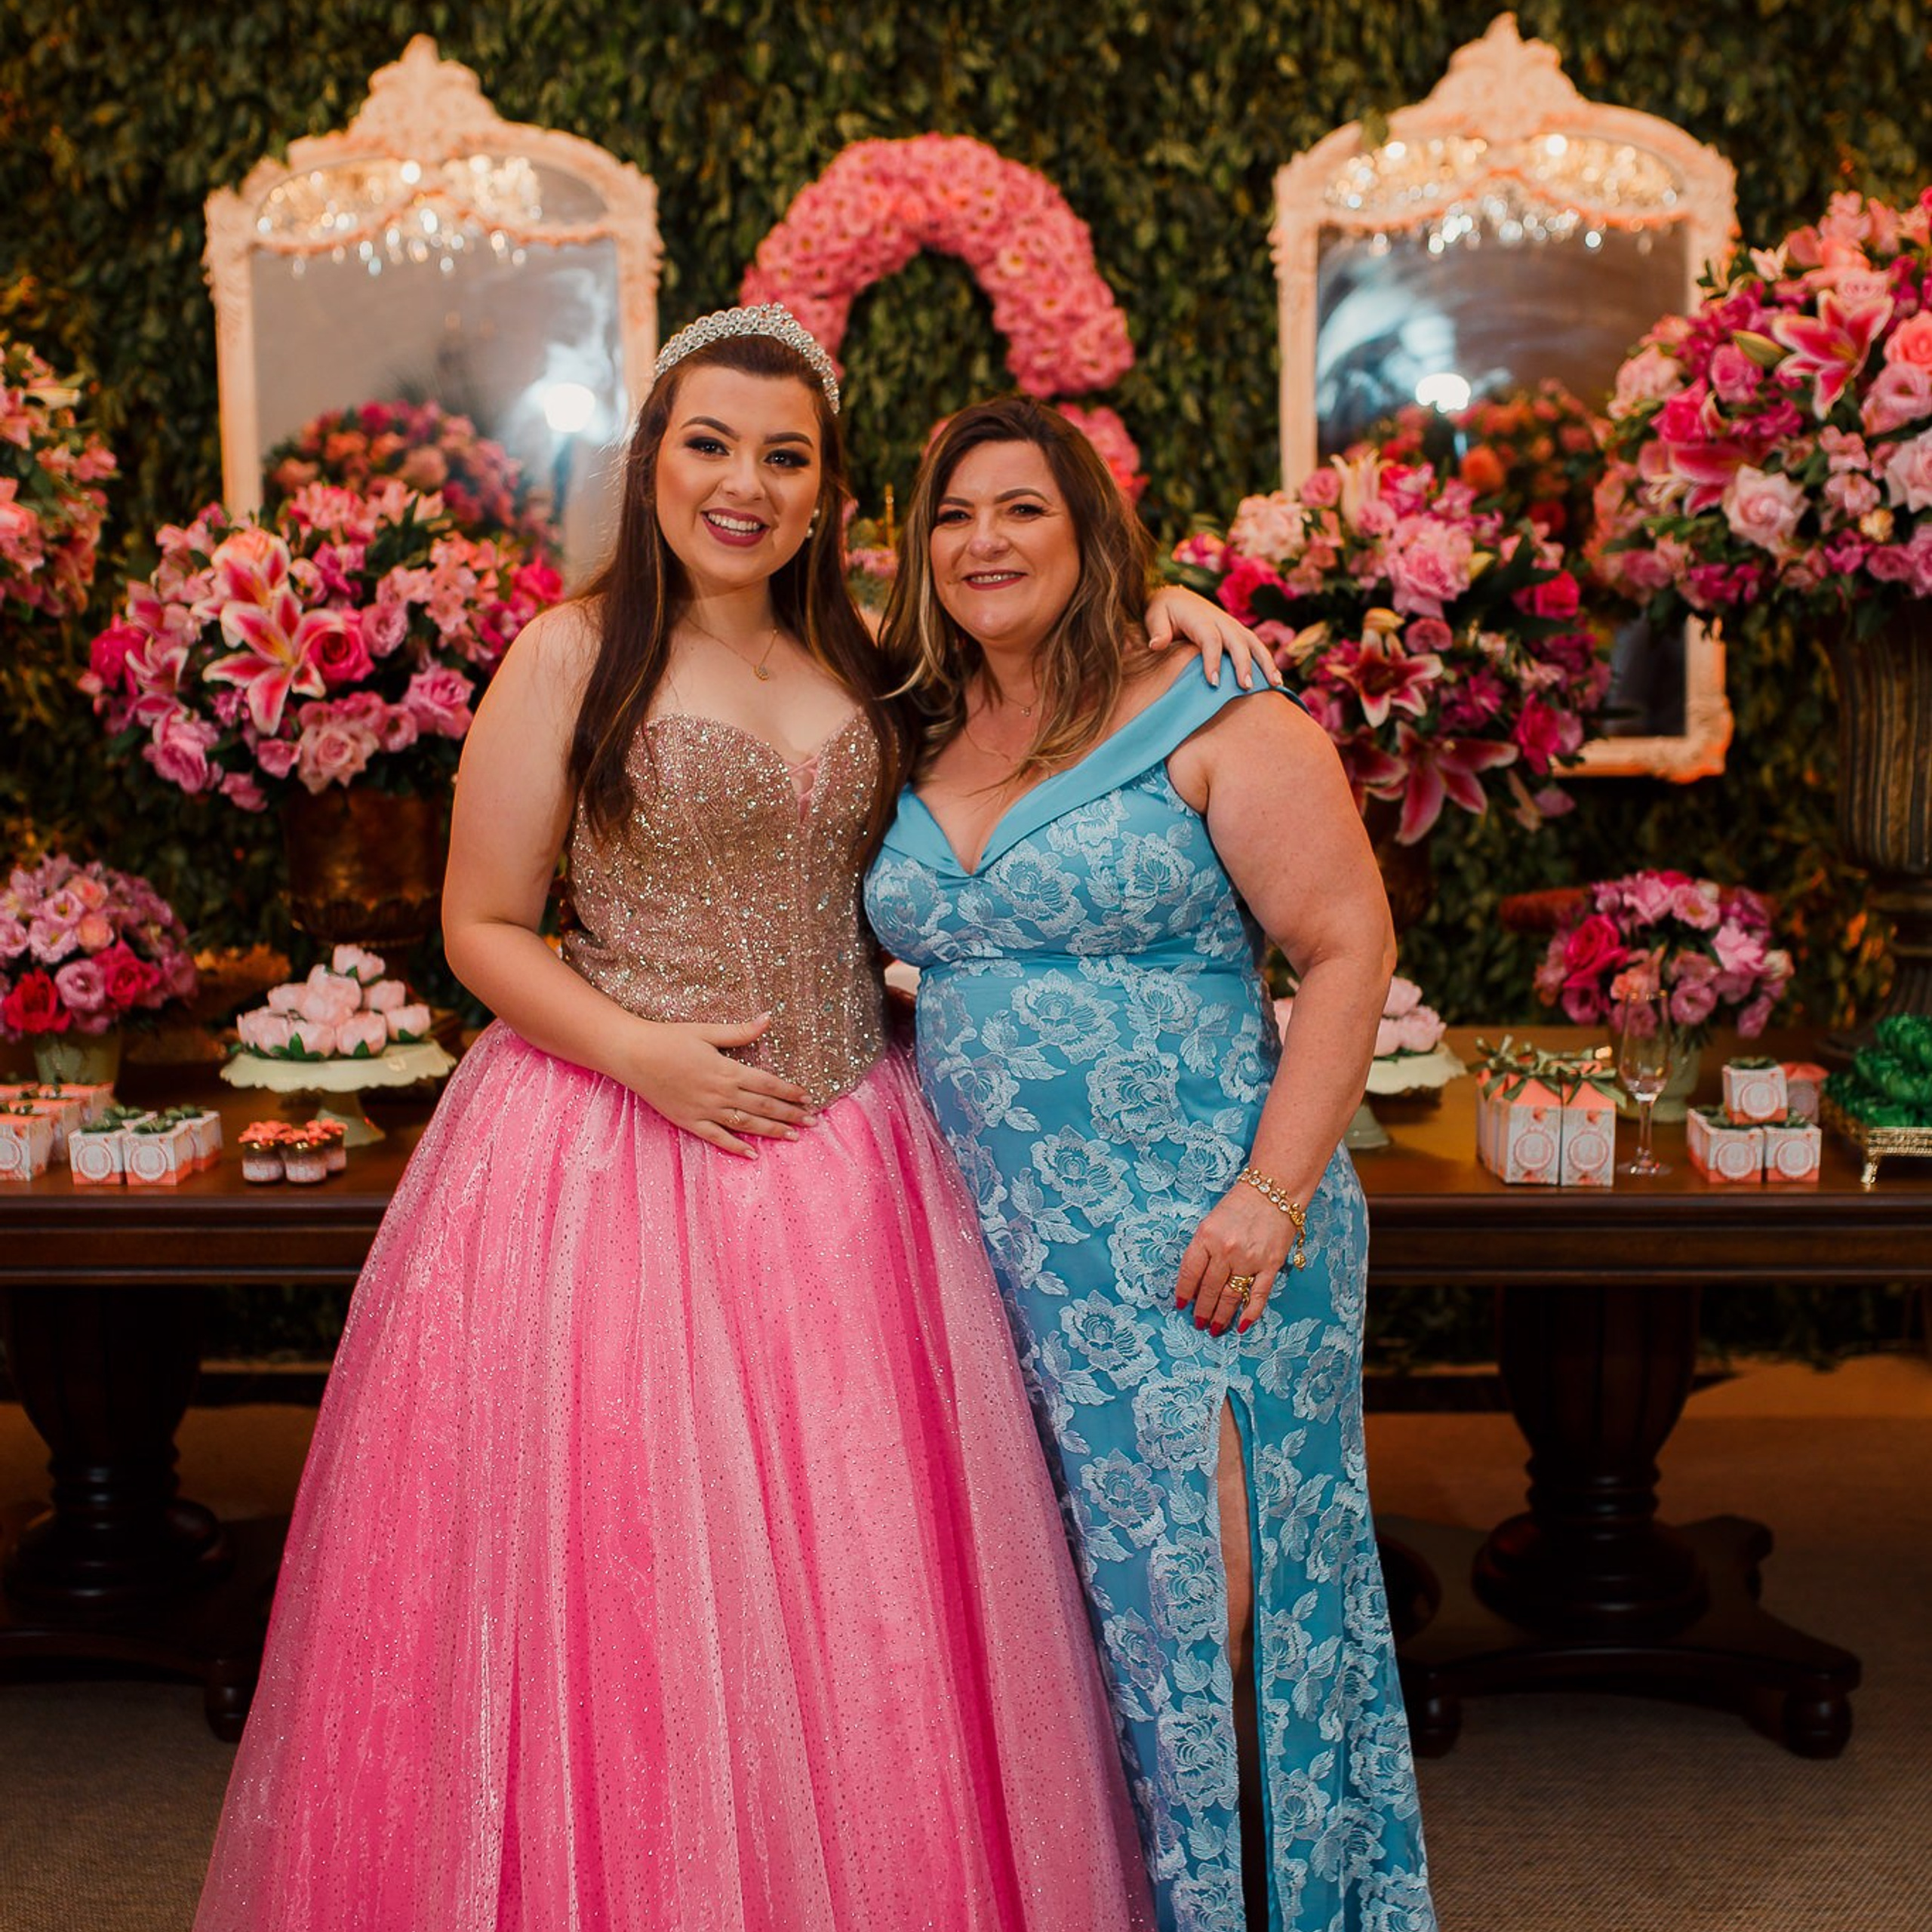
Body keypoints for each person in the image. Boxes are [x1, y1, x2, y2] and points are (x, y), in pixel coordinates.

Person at [194, 308, 1266, 1931]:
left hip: (861, 1157)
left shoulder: (873, 658)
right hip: (611, 1151)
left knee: (869, 1572)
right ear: (652, 462)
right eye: (709, 445)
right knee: (629, 1567)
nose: (742, 485)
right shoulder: (572, 653)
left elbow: (1036, 662)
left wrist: (1160, 612)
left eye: (783, 456)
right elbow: (479, 926)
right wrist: (644, 1056)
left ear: (828, 491)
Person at [865, 395, 1435, 1932]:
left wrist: (1269, 1194)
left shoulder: (1216, 707)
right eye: (951, 514)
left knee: (1215, 1604)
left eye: (1023, 509)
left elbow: (1345, 947)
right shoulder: (907, 723)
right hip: (993, 1252)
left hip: (1209, 1234)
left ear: (1091, 531)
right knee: (1057, 1620)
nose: (982, 541)